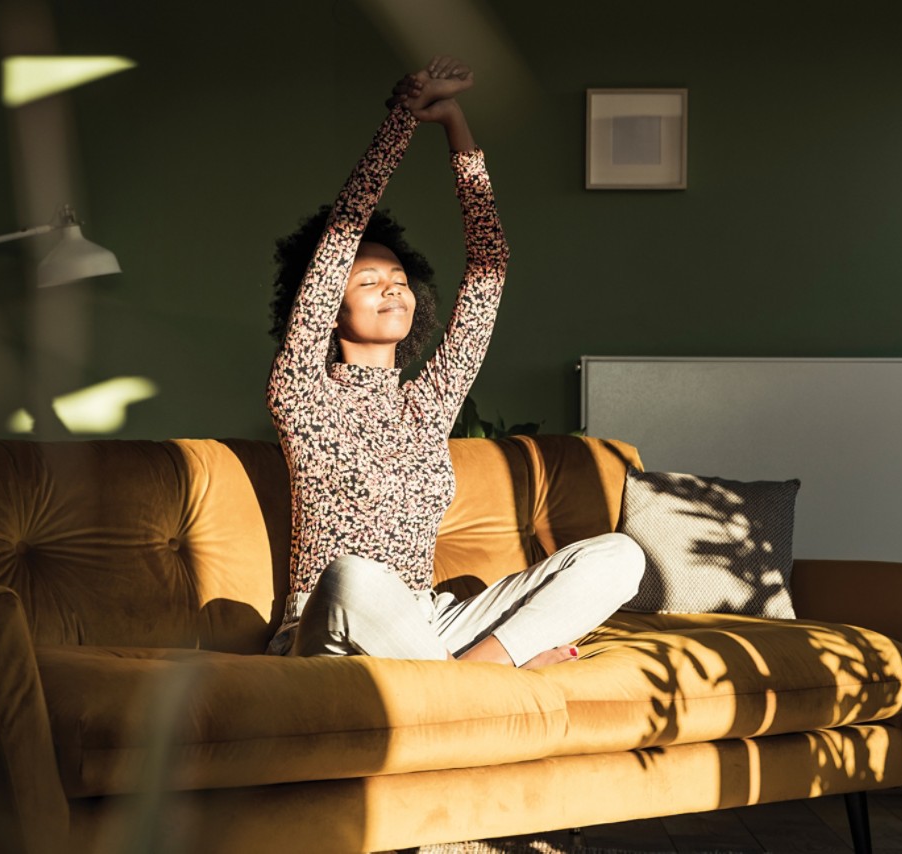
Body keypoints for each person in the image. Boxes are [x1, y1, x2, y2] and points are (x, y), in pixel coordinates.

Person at [266, 57, 643, 668]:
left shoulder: (427, 404)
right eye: (367, 281)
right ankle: (489, 678)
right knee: (355, 576)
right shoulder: (302, 396)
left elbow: (490, 269)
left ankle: (477, 673)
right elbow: (342, 233)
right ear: (327, 306)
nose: (392, 288)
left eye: (399, 278)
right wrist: (399, 126)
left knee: (621, 557)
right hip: (335, 622)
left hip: (430, 623)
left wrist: (457, 132)